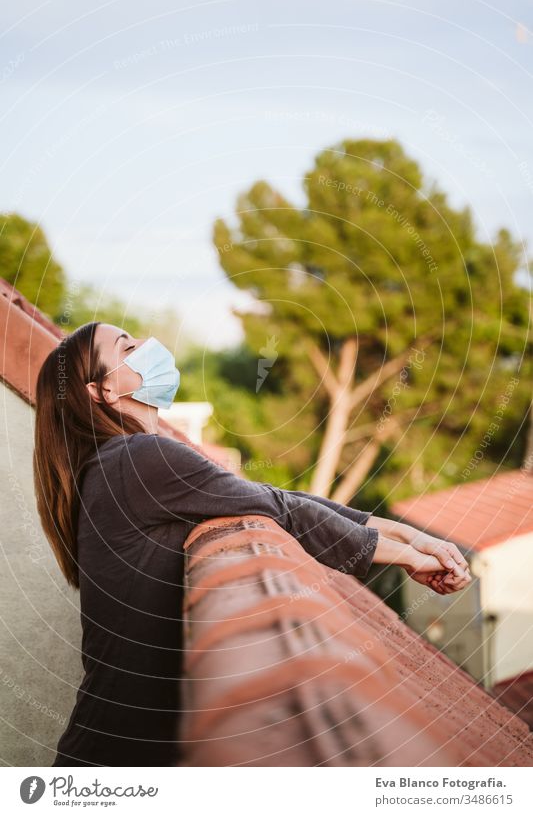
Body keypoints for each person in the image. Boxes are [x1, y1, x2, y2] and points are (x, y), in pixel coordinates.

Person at [33, 322, 471, 767]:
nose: (147, 344)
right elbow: (279, 508)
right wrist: (408, 556)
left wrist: (404, 534)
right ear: (102, 390)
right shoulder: (136, 458)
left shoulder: (122, 460)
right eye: (126, 346)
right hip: (118, 758)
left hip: (115, 747)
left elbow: (277, 499)